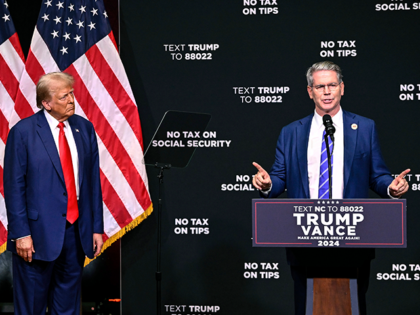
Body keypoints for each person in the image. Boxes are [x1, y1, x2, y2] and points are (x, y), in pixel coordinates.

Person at [252, 61, 409, 315]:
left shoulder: (365, 128)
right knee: (306, 307)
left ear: (342, 88)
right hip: (305, 238)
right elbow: (279, 178)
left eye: (332, 85)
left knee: (353, 306)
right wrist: (267, 184)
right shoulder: (291, 132)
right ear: (310, 91)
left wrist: (391, 187)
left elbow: (377, 176)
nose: (326, 91)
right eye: (320, 86)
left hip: (353, 238)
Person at [4, 72, 104, 315]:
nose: (72, 100)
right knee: (32, 308)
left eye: (71, 94)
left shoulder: (84, 128)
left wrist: (96, 227)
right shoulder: (23, 132)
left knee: (67, 307)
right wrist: (21, 234)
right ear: (46, 103)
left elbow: (92, 182)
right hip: (35, 238)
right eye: (64, 96)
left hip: (76, 233)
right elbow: (13, 187)